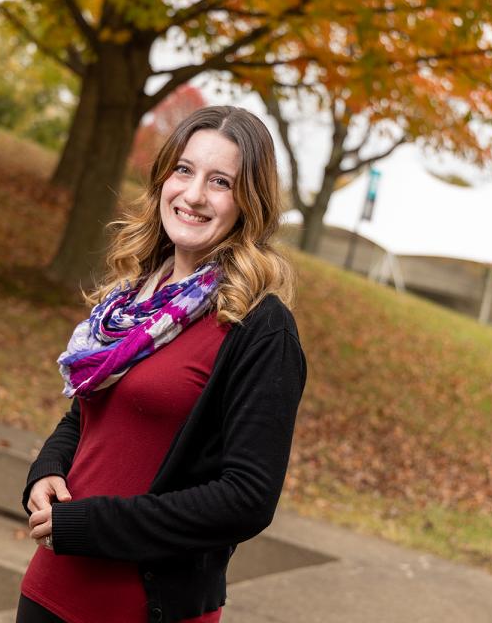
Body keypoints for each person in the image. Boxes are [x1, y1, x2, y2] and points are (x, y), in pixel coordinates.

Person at [16, 105, 307, 623]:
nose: (194, 195)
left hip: (146, 608)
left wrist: (91, 526)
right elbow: (87, 417)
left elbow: (247, 499)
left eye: (221, 182)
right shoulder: (135, 299)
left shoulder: (260, 326)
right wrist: (46, 471)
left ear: (250, 202)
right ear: (163, 179)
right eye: (184, 170)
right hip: (50, 589)